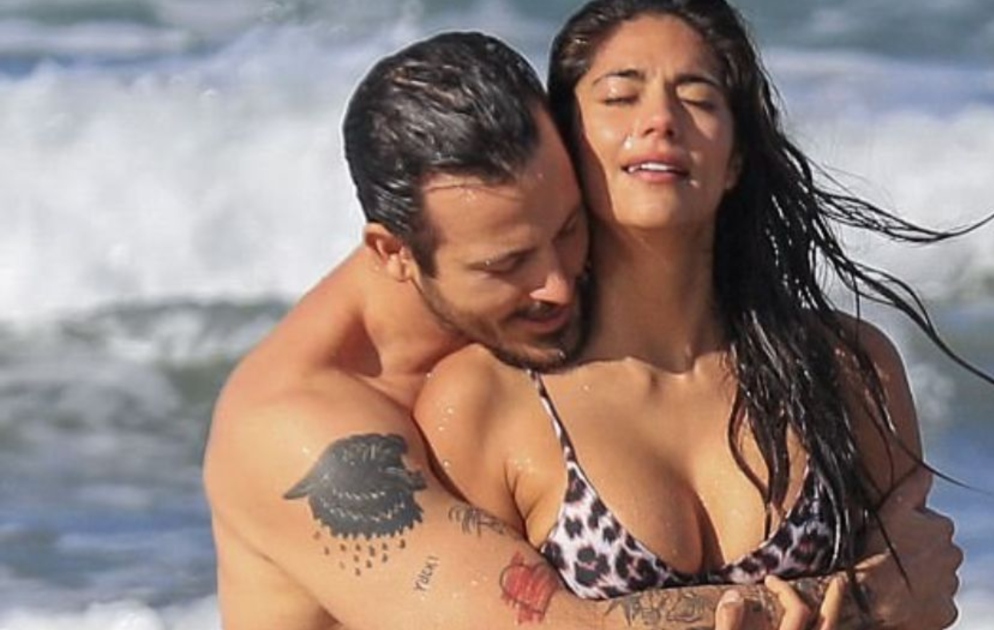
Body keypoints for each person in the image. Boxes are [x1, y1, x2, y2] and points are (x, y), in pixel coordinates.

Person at [204, 30, 857, 630]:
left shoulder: (522, 320)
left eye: (569, 228)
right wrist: (867, 594)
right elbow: (552, 625)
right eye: (507, 264)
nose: (559, 285)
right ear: (394, 253)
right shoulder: (297, 429)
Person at [414, 1, 968, 628]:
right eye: (621, 97)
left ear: (735, 159)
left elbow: (921, 595)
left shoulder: (844, 369)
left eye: (699, 98)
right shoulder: (487, 399)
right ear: (564, 147)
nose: (661, 120)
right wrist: (840, 606)